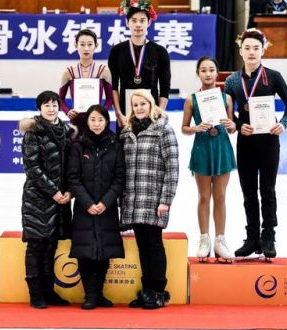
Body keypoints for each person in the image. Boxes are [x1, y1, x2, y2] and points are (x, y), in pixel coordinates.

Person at [225, 28, 287, 260]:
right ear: (241, 50)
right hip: (245, 142)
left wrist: (283, 123)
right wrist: (236, 124)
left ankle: (268, 236)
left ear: (263, 50)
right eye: (247, 48)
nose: (252, 52)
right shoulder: (232, 81)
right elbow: (227, 114)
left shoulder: (273, 76)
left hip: (268, 142)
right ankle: (252, 236)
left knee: (267, 189)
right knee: (248, 192)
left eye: (256, 48)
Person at [120, 89, 179, 309]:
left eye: (143, 104)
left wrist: (166, 200)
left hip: (154, 199)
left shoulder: (164, 130)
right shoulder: (126, 133)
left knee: (153, 244)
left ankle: (158, 290)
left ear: (151, 104)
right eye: (135, 105)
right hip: (133, 200)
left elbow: (172, 168)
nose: (139, 108)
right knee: (142, 246)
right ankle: (147, 291)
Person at [19, 90, 76, 309]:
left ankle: (49, 292)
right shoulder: (33, 132)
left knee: (51, 245)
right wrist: (54, 191)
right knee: (36, 245)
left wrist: (69, 191)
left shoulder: (68, 132)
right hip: (37, 197)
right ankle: (36, 294)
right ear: (39, 108)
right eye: (46, 105)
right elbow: (32, 168)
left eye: (54, 105)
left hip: (61, 200)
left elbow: (73, 165)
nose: (51, 109)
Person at [67, 104, 125, 310]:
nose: (97, 124)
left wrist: (105, 203)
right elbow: (73, 179)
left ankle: (99, 293)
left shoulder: (115, 145)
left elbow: (119, 178)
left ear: (106, 121)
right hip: (85, 208)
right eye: (93, 120)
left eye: (101, 120)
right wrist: (88, 203)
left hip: (107, 208)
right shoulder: (77, 146)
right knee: (86, 252)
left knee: (104, 251)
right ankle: (89, 295)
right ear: (87, 122)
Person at [181, 56, 237, 263]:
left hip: (222, 147)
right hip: (202, 148)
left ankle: (220, 240)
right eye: (203, 70)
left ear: (217, 72)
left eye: (211, 70)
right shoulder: (191, 99)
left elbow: (231, 127)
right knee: (204, 196)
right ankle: (204, 238)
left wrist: (232, 126)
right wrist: (195, 128)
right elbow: (184, 128)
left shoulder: (227, 98)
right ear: (198, 73)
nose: (208, 73)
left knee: (220, 196)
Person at [108, 0, 171, 133]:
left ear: (149, 22)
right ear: (127, 22)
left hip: (152, 114)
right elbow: (113, 86)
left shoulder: (160, 51)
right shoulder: (117, 51)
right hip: (125, 114)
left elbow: (165, 86)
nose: (138, 24)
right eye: (134, 20)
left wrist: (158, 112)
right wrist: (118, 114)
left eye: (142, 20)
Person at [59, 29, 113, 136]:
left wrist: (101, 112)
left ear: (96, 45)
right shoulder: (68, 72)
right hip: (77, 120)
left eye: (90, 44)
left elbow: (110, 98)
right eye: (82, 44)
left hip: (97, 122)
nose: (86, 48)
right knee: (77, 150)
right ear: (76, 45)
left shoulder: (103, 70)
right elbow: (61, 99)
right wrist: (67, 112)